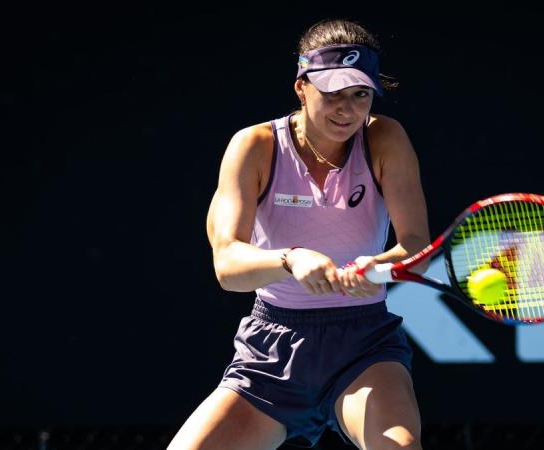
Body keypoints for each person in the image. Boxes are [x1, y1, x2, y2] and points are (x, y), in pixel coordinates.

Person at [168, 19, 430, 450]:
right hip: (272, 351)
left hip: (364, 345)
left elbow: (416, 245)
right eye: (332, 95)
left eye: (360, 95)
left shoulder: (386, 138)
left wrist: (378, 266)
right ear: (301, 87)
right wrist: (289, 259)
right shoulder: (254, 146)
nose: (346, 110)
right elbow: (228, 266)